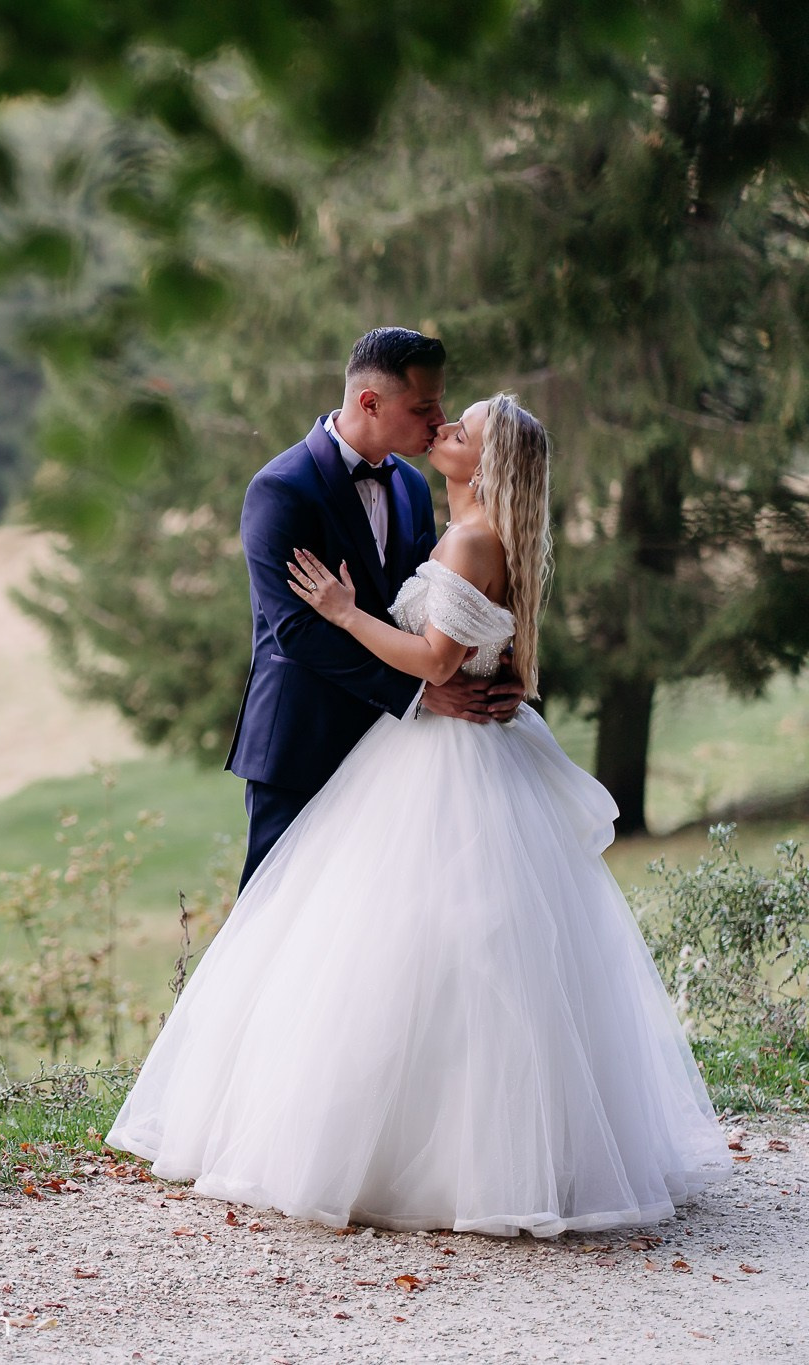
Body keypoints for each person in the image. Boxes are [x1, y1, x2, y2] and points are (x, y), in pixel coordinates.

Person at [106, 393, 730, 1237]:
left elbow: (435, 659)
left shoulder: (470, 538)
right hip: (426, 743)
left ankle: (422, 1156)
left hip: (443, 751)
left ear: (487, 461)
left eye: (461, 429)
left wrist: (343, 610)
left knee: (421, 948)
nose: (443, 430)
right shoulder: (457, 522)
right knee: (416, 947)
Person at [224, 327, 524, 889]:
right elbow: (296, 632)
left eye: (440, 402)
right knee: (276, 920)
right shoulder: (281, 489)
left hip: (396, 753)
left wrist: (496, 673)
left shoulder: (412, 486)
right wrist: (419, 691)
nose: (439, 420)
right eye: (424, 406)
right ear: (370, 402)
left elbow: (428, 607)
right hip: (303, 742)